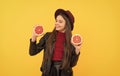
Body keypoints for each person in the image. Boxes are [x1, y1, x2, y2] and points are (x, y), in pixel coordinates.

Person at [29, 8, 82, 76]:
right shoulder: (47, 36)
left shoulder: (72, 40)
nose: (56, 23)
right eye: (56, 21)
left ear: (67, 24)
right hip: (49, 71)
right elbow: (32, 52)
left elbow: (72, 64)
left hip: (64, 73)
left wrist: (77, 50)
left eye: (60, 21)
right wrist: (34, 36)